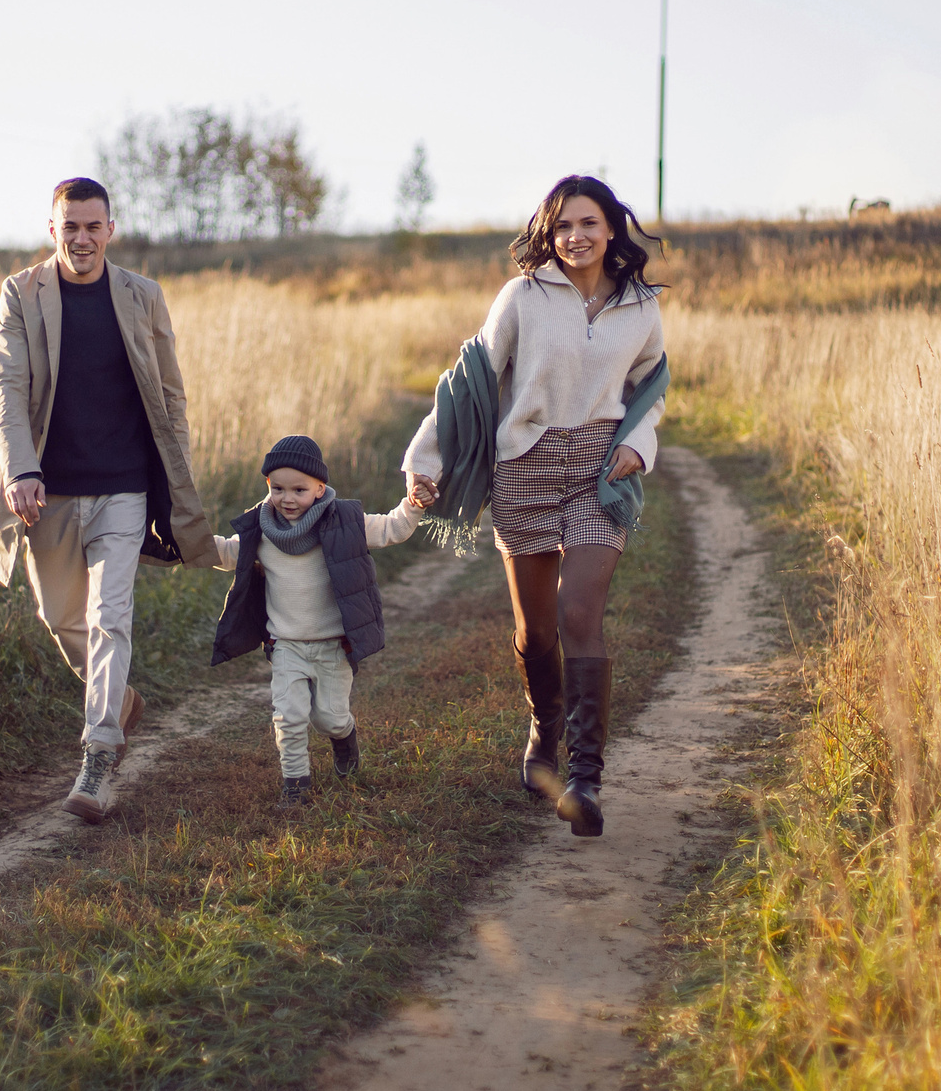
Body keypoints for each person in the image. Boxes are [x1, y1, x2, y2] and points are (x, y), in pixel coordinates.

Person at [403, 175, 668, 837]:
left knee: (579, 610)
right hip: (523, 468)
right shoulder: (521, 297)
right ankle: (544, 724)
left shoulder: (640, 306)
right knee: (534, 632)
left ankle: (585, 777)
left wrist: (639, 442)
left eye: (587, 223)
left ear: (611, 228)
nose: (575, 237)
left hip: (597, 471)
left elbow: (652, 383)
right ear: (550, 235)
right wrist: (425, 463)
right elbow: (469, 381)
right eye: (562, 226)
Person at [0, 177, 219, 823]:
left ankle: (99, 756)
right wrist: (21, 469)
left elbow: (171, 393)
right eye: (69, 226)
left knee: (111, 618)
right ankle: (119, 698)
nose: (81, 238)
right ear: (53, 230)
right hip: (45, 491)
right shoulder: (20, 293)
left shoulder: (143, 296)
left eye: (92, 226)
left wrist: (176, 481)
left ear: (111, 229)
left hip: (125, 486)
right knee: (60, 616)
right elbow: (7, 387)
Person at [206, 435, 425, 807]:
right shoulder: (259, 532)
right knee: (289, 717)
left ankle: (345, 737)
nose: (287, 498)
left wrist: (413, 505)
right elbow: (225, 552)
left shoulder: (346, 523)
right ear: (267, 487)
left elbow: (392, 528)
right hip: (286, 645)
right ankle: (295, 785)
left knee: (329, 719)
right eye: (277, 488)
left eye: (299, 489)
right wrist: (186, 541)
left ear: (320, 488)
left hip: (332, 646)